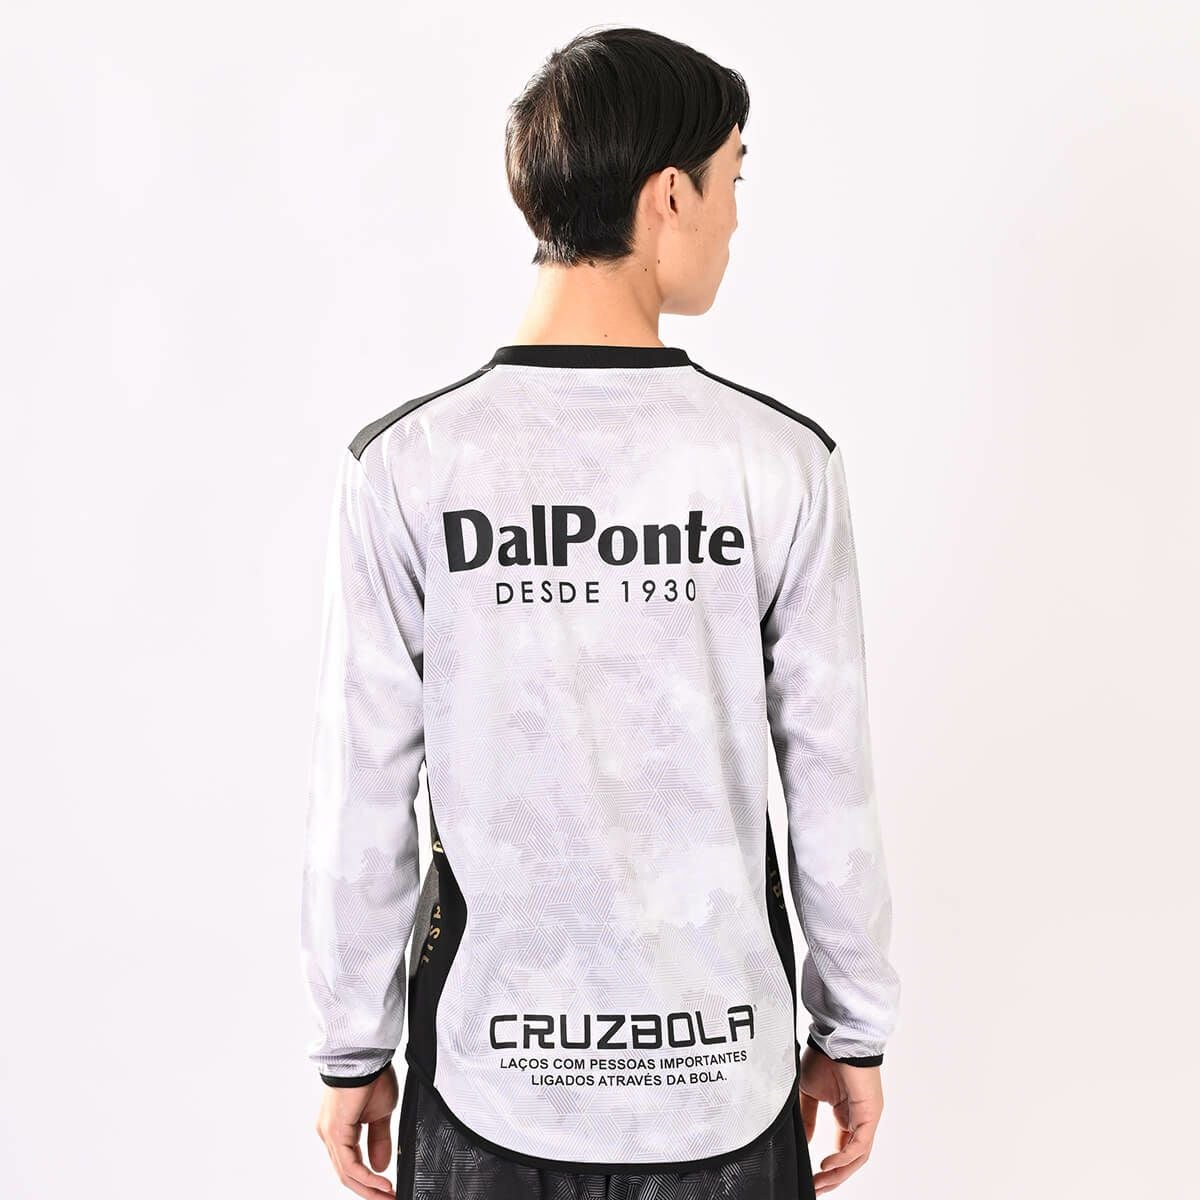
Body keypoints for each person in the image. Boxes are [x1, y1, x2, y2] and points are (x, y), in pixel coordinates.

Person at [300, 25, 900, 1200]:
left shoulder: (408, 465)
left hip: (492, 1073)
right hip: (722, 1072)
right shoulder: (779, 463)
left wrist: (350, 1049)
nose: (735, 219)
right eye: (733, 180)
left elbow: (363, 786)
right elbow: (830, 775)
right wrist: (854, 1027)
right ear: (670, 193)